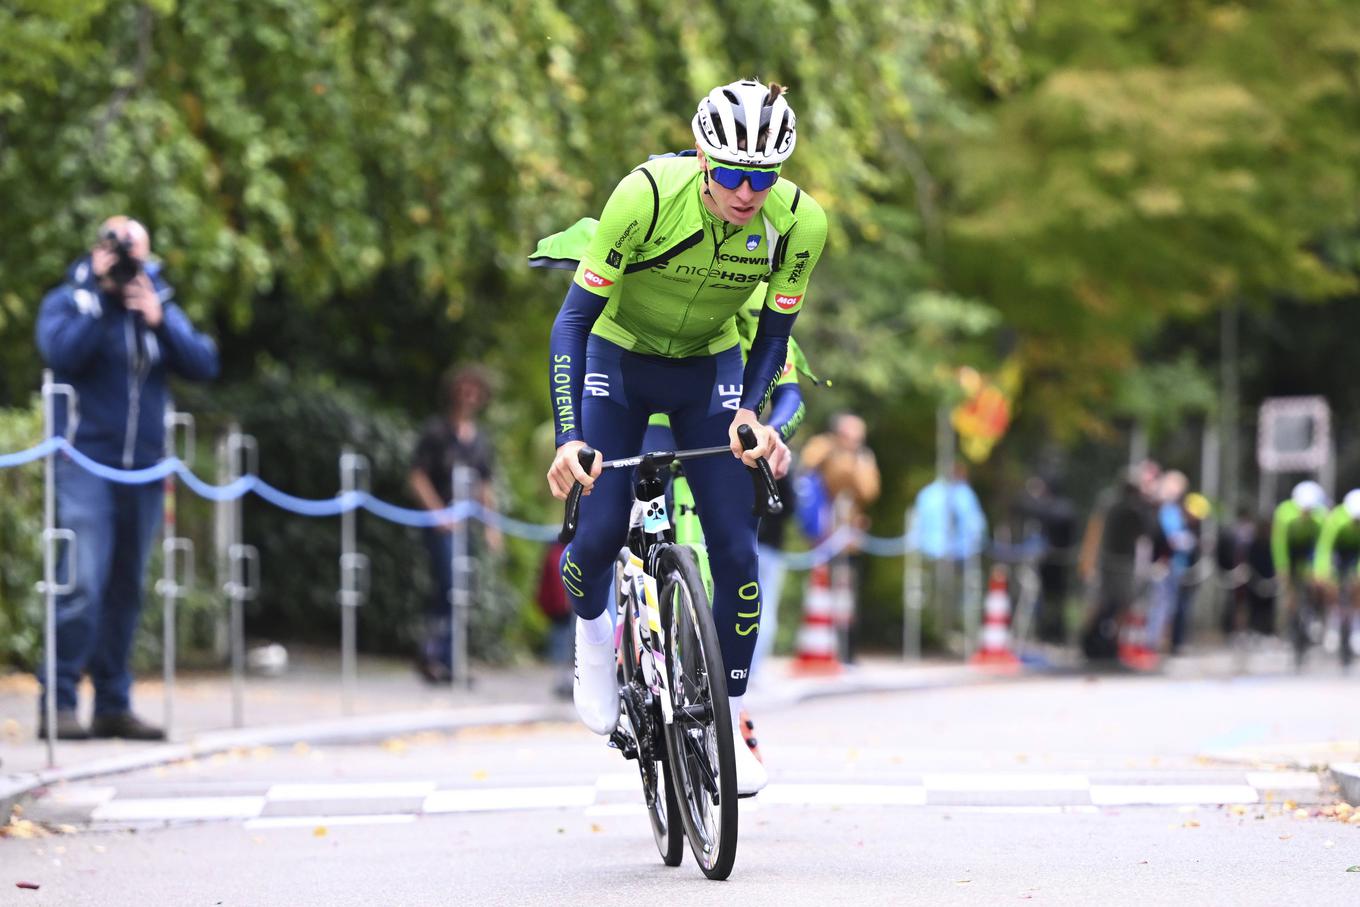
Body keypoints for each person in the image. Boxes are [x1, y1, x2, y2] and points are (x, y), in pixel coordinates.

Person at [545, 78, 826, 795]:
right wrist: (569, 435)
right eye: (731, 173)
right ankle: (593, 634)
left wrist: (752, 415)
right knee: (601, 530)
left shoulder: (799, 225)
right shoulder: (644, 194)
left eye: (762, 177)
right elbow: (573, 322)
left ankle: (727, 714)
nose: (745, 191)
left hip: (709, 367)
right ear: (703, 160)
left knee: (736, 543)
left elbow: (775, 336)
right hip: (618, 355)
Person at [34, 216, 219, 739]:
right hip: (84, 462)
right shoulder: (72, 302)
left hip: (143, 467)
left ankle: (113, 703)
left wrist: (159, 320)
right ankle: (59, 701)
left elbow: (205, 363)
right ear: (99, 251)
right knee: (83, 582)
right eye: (120, 253)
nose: (130, 265)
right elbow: (60, 353)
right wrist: (102, 298)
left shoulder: (156, 304)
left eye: (138, 254)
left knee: (126, 587)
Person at [409, 365, 503, 683]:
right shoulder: (436, 432)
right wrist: (437, 513)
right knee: (447, 587)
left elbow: (484, 486)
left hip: (467, 526)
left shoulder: (480, 440)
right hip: (442, 523)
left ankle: (450, 659)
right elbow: (418, 475)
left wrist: (491, 526)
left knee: (462, 588)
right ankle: (437, 656)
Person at [799, 413, 881, 659]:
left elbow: (870, 491)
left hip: (849, 539)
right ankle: (819, 649)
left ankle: (847, 653)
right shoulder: (822, 448)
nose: (854, 441)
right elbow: (806, 470)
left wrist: (854, 465)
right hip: (823, 536)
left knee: (847, 599)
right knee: (819, 593)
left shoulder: (863, 458)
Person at [1271, 479, 1329, 648]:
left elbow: (1322, 546)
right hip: (1290, 551)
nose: (1307, 513)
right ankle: (1287, 628)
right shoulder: (1284, 513)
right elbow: (1279, 543)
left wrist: (1319, 570)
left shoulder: (1320, 517)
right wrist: (1282, 567)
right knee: (1290, 593)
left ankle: (1315, 619)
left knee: (1316, 585)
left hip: (1308, 552)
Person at [1311, 489, 1360, 659]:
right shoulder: (1336, 519)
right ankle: (1333, 626)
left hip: (1355, 554)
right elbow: (1324, 548)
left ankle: (1355, 628)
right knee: (1332, 588)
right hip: (1338, 554)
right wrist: (1322, 572)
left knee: (1357, 588)